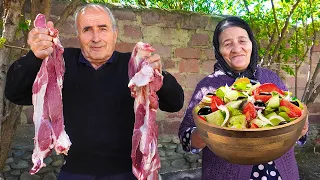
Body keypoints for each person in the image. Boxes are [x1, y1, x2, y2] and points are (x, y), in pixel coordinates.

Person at [5, 3, 184, 180]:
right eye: (87, 29)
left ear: (115, 34)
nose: (96, 37)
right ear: (78, 35)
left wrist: (160, 74)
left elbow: (175, 103)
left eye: (103, 28)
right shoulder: (60, 63)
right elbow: (14, 92)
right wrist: (34, 56)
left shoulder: (134, 66)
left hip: (128, 173)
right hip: (74, 173)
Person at [178, 16, 308, 180]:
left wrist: (301, 129)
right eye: (227, 44)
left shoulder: (271, 78)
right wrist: (206, 133)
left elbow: (293, 120)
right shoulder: (208, 86)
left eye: (242, 41)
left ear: (251, 43)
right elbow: (186, 137)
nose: (236, 48)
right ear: (218, 51)